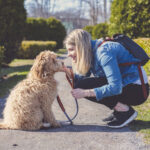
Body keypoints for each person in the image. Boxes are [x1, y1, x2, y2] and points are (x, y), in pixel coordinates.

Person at [62, 29, 149, 128]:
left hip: (138, 91)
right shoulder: (91, 50)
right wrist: (66, 71)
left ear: (81, 47)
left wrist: (86, 92)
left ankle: (125, 111)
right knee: (81, 84)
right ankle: (119, 110)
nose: (68, 54)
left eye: (71, 49)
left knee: (83, 87)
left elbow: (115, 87)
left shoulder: (104, 52)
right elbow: (81, 79)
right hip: (128, 86)